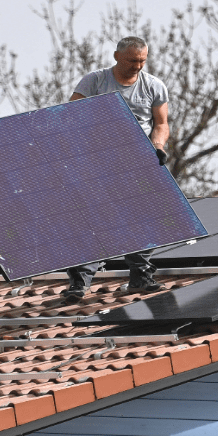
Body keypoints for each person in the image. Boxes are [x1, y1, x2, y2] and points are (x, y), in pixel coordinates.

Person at [62, 36, 171, 303]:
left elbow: (161, 123)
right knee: (91, 220)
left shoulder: (154, 86)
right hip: (96, 161)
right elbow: (70, 115)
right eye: (133, 60)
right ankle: (79, 282)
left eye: (142, 60)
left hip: (136, 161)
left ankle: (141, 276)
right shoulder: (95, 81)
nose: (138, 65)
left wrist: (157, 145)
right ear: (117, 57)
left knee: (140, 219)